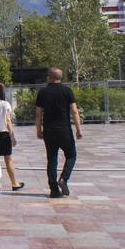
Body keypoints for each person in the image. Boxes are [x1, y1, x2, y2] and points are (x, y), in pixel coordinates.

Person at [36, 67, 83, 198]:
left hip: (49, 131)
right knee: (71, 155)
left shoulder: (43, 92)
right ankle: (64, 178)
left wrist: (38, 129)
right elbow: (74, 111)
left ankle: (54, 190)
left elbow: (39, 114)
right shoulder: (67, 91)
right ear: (60, 77)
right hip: (64, 130)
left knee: (51, 159)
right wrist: (78, 129)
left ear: (48, 77)